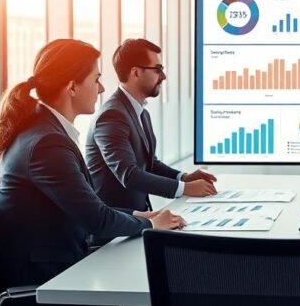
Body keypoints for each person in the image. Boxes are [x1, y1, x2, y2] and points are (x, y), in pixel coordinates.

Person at [0, 39, 183, 306]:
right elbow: (96, 218)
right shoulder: (47, 144)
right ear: (71, 86)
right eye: (95, 79)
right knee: (160, 304)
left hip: (56, 274)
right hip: (40, 300)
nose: (100, 87)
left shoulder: (45, 132)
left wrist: (139, 215)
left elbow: (88, 206)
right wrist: (149, 224)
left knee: (153, 292)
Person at [86, 38, 217, 213]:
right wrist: (185, 189)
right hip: (114, 231)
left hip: (136, 221)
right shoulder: (112, 116)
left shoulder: (139, 112)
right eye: (158, 70)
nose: (163, 76)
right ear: (136, 73)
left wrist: (184, 178)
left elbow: (149, 163)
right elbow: (129, 175)